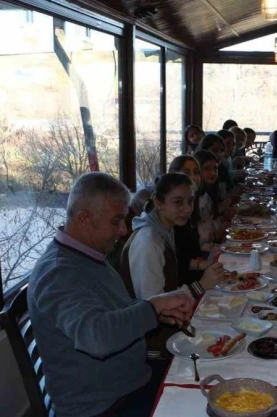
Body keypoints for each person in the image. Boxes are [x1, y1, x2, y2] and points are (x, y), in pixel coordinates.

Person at [28, 172, 196, 417]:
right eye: (116, 221)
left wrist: (154, 311)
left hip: (130, 381)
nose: (123, 230)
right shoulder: (58, 273)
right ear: (84, 218)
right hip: (102, 404)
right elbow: (96, 337)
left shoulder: (88, 255)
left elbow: (114, 310)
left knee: (205, 380)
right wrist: (153, 307)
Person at [124, 172, 224, 302]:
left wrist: (207, 263)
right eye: (178, 202)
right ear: (158, 202)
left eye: (190, 201)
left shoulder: (166, 228)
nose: (187, 209)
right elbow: (151, 304)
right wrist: (201, 286)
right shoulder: (148, 242)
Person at [167, 156, 223, 284]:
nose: (193, 177)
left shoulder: (193, 203)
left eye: (196, 172)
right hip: (184, 283)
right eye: (186, 173)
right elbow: (176, 259)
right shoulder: (173, 213)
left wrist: (207, 261)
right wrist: (202, 264)